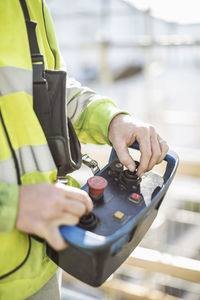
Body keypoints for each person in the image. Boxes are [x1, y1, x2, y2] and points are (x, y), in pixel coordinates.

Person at [0, 0, 169, 299]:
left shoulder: (28, 5)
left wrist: (112, 120)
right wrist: (9, 205)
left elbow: (46, 92)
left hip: (46, 256)